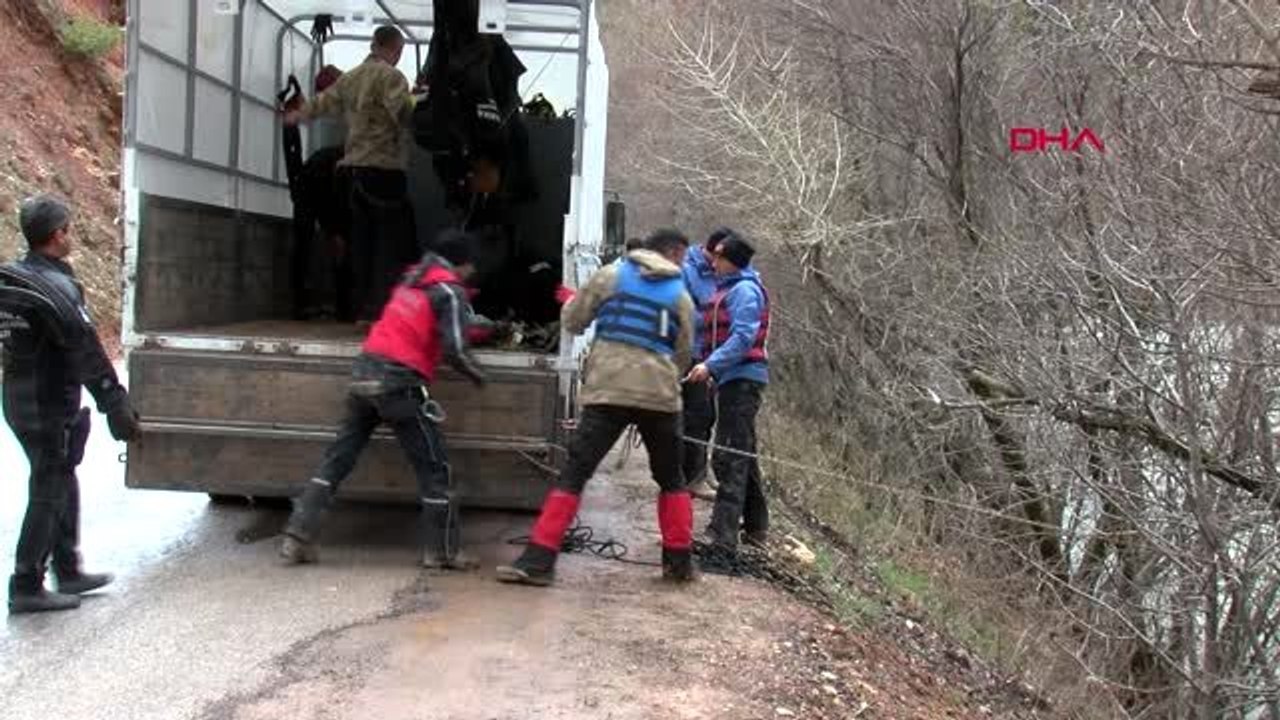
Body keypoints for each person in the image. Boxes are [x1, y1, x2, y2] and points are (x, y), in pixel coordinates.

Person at [496, 229, 698, 586]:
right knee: (671, 479)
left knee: (576, 473)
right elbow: (683, 354)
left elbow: (573, 320)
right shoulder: (681, 295)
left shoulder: (611, 276)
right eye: (683, 256)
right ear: (671, 253)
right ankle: (678, 564)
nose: (684, 263)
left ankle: (538, 561)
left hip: (608, 392)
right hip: (661, 397)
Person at [280, 231, 487, 570]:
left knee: (337, 460)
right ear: (463, 263)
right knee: (435, 469)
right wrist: (479, 376)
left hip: (364, 375)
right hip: (400, 385)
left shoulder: (410, 281)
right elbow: (456, 351)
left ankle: (297, 536)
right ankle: (443, 552)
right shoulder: (450, 291)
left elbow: (410, 326)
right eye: (472, 266)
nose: (472, 272)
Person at [0, 194, 141, 614]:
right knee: (48, 486)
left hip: (18, 398)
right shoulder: (56, 287)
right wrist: (114, 402)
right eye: (68, 229)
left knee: (61, 475)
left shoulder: (12, 279)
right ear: (57, 235)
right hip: (46, 403)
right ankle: (26, 582)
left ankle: (69, 568)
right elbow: (86, 351)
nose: (70, 236)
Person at [284, 26, 417, 324]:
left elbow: (321, 103)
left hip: (352, 173)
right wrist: (419, 100)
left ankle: (360, 310)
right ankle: (380, 312)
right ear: (396, 49)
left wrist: (296, 115)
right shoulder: (392, 77)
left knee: (361, 246)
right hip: (384, 171)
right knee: (387, 245)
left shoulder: (350, 77)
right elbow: (405, 115)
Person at [685, 234, 771, 554]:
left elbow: (743, 337)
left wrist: (710, 366)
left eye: (719, 257)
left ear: (732, 261)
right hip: (732, 379)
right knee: (744, 453)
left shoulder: (744, 291)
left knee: (729, 456)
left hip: (743, 381)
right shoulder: (730, 288)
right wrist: (715, 371)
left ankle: (722, 536)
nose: (713, 262)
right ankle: (757, 528)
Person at [680, 228, 732, 501]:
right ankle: (688, 477)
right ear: (710, 251)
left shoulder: (722, 276)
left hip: (710, 355)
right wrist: (715, 317)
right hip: (688, 353)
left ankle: (697, 472)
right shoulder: (687, 271)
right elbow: (686, 314)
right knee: (695, 414)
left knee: (704, 417)